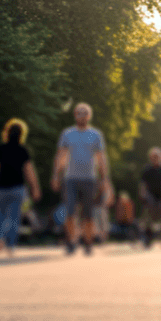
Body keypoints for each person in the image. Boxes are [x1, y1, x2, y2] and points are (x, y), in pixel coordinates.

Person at [51, 103, 112, 256]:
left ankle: (88, 243)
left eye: (85, 113)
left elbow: (101, 158)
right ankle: (72, 241)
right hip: (70, 179)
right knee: (70, 212)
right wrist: (56, 176)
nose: (82, 115)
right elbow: (61, 156)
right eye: (79, 113)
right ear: (75, 115)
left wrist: (104, 179)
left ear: (89, 116)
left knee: (88, 214)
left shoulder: (96, 135)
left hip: (89, 179)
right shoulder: (67, 134)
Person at [0, 118, 41, 255]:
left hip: (1, 188)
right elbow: (29, 171)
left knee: (1, 215)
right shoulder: (23, 150)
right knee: (15, 216)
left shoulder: (0, 149)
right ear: (22, 134)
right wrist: (35, 188)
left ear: (7, 133)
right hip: (18, 188)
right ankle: (11, 245)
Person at [139, 147, 161, 249]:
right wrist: (142, 195)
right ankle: (148, 239)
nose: (155, 158)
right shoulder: (147, 170)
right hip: (151, 196)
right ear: (150, 158)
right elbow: (143, 185)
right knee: (149, 218)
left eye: (157, 157)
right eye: (153, 157)